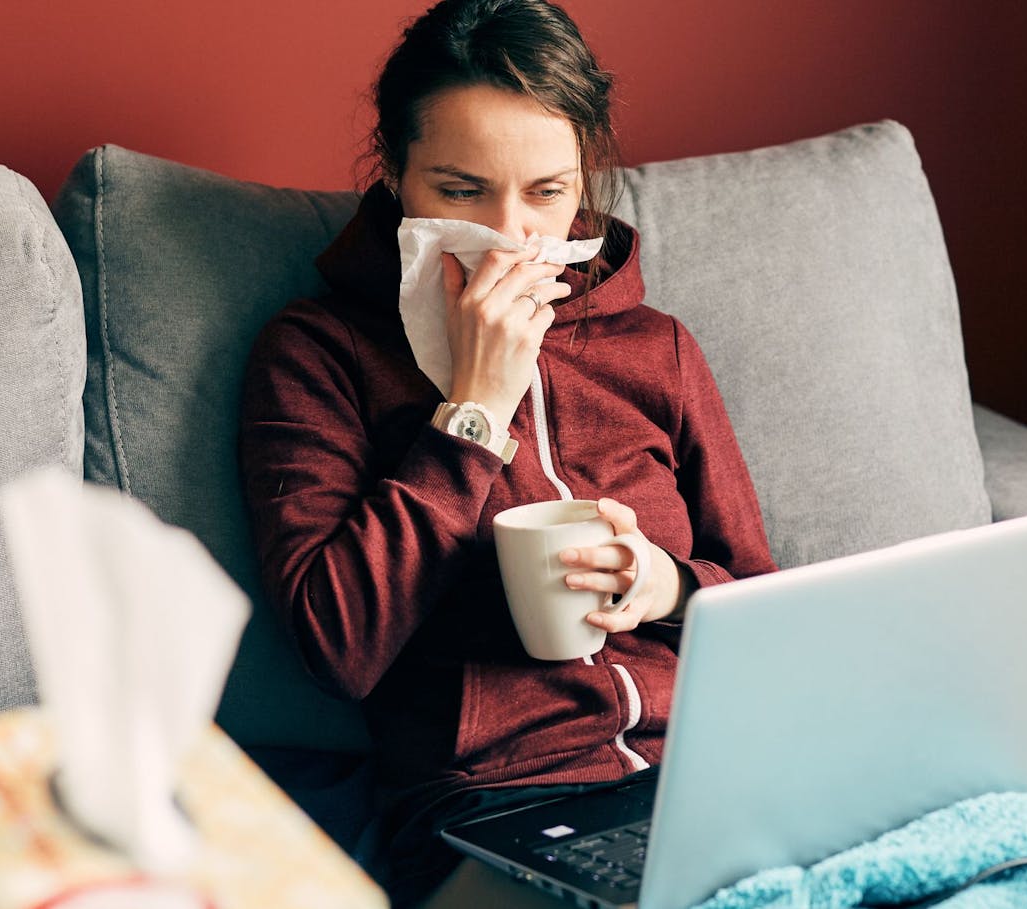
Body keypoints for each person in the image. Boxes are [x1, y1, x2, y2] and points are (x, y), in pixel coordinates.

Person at [238, 0, 777, 904]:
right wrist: (474, 408)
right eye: (459, 190)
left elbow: (769, 602)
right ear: (396, 175)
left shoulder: (658, 348)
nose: (514, 236)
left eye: (546, 193)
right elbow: (338, 646)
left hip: (713, 772)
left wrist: (667, 586)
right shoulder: (318, 352)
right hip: (489, 808)